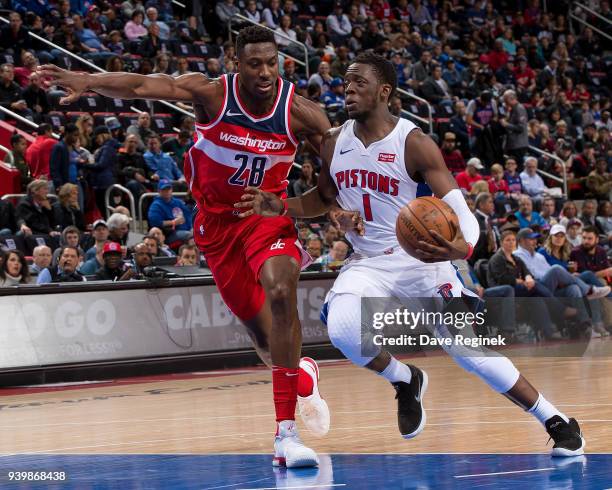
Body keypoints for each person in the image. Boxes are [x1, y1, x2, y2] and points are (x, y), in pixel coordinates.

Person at [237, 52, 586, 457]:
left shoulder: (414, 142)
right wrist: (282, 206)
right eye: (345, 83)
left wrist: (462, 248)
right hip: (368, 261)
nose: (347, 89)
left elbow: (461, 212)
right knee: (345, 330)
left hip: (423, 260)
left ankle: (556, 420)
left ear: (384, 91)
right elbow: (324, 198)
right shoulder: (334, 142)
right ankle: (405, 379)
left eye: (358, 83)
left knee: (469, 352)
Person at [41, 25, 343, 466]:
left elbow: (334, 178)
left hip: (264, 219)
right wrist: (88, 82)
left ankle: (285, 435)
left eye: (271, 63)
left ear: (282, 63)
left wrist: (309, 206)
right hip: (216, 227)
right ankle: (301, 375)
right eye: (254, 63)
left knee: (281, 292)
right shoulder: (212, 95)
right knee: (262, 335)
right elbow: (144, 84)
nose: (264, 72)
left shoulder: (302, 113)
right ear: (235, 63)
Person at [147, 179, 193, 244]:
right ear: (159, 191)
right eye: (164, 189)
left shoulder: (178, 202)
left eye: (168, 189)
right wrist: (173, 222)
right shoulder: (156, 205)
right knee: (190, 236)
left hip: (186, 230)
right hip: (169, 234)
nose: (167, 191)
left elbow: (188, 216)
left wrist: (192, 228)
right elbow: (155, 222)